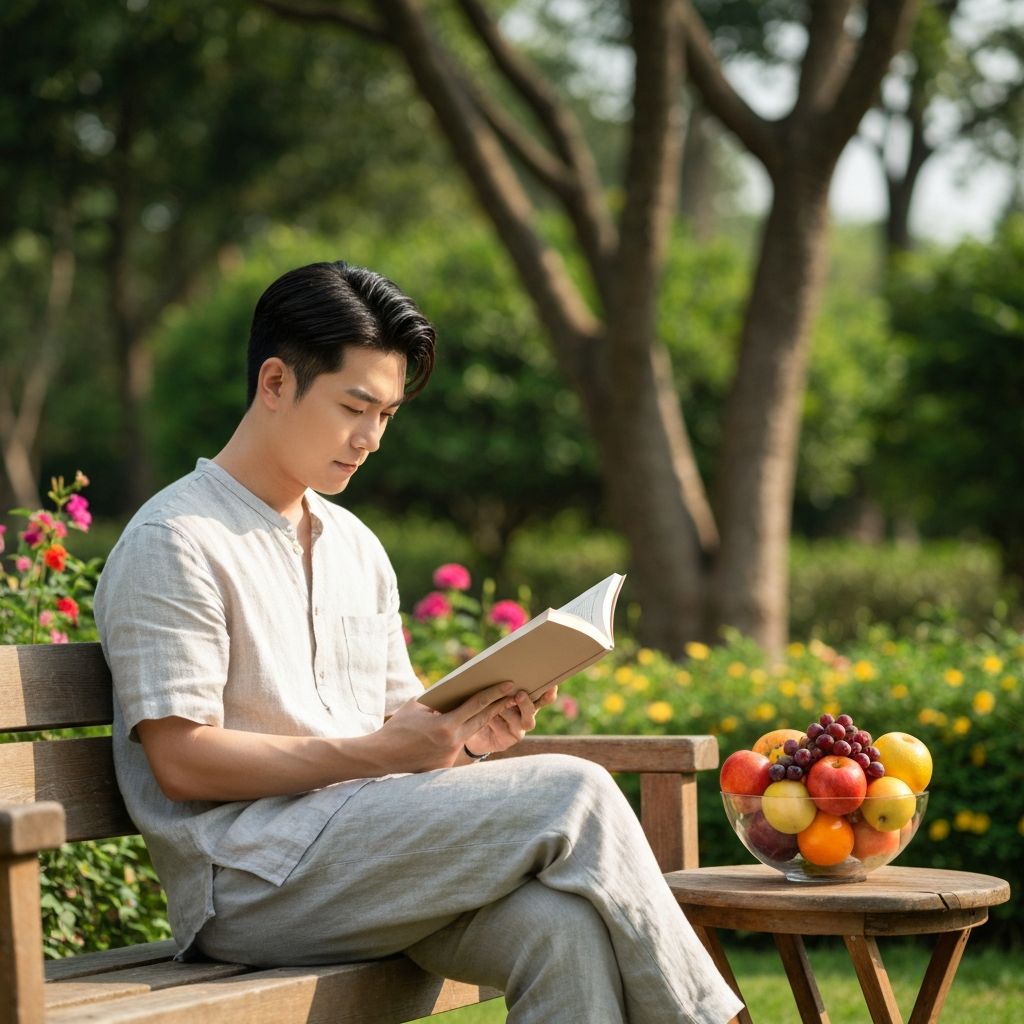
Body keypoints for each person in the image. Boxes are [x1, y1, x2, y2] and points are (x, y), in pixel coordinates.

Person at [94, 260, 743, 1024]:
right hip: (248, 885)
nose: (370, 438)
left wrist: (465, 738)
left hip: (373, 852)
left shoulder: (355, 546)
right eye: (354, 407)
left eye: (387, 415)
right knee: (577, 791)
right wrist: (379, 754)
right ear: (275, 382)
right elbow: (180, 760)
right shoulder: (175, 541)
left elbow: (399, 731)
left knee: (562, 931)